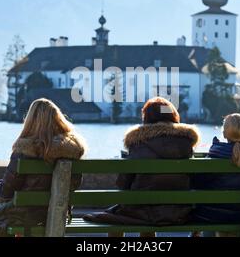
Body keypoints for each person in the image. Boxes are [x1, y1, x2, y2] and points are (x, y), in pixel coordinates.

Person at [83, 97, 200, 235]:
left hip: (141, 212)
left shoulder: (138, 142)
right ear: (173, 116)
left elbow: (123, 183)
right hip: (179, 213)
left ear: (147, 117)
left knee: (119, 215)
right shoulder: (185, 143)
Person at [0, 98, 86, 237]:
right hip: (59, 213)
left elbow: (7, 191)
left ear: (30, 121)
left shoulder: (23, 151)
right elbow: (74, 184)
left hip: (27, 216)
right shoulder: (72, 151)